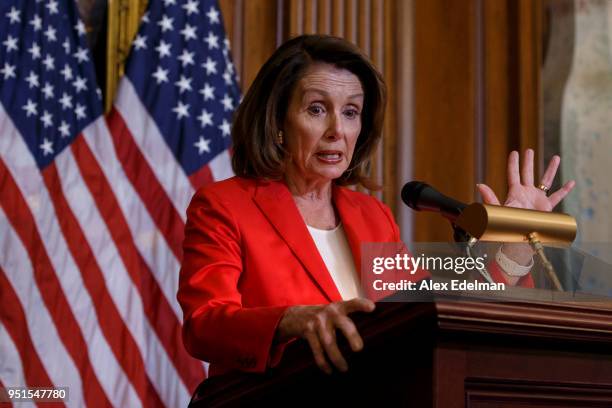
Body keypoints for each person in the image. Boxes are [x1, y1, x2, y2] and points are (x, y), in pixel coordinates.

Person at [177, 35, 575, 377]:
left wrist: (517, 244)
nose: (337, 130)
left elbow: (426, 313)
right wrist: (291, 320)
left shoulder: (371, 216)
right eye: (317, 109)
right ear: (277, 122)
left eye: (351, 112)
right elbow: (204, 324)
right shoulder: (225, 205)